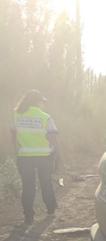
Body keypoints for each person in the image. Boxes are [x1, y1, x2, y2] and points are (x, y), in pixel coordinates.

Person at [10, 90, 63, 224]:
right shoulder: (45, 117)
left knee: (28, 185)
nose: (43, 104)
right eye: (42, 101)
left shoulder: (16, 116)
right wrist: (60, 154)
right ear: (38, 102)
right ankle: (50, 210)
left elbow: (14, 137)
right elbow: (53, 137)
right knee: (46, 183)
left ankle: (28, 215)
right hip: (44, 157)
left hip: (24, 156)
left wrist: (18, 151)